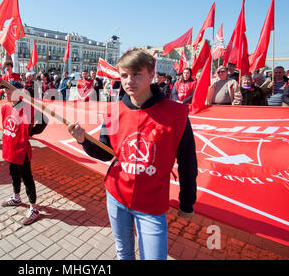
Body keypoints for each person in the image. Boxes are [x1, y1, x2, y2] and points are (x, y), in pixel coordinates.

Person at [68, 49, 198, 260]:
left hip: (152, 204)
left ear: (151, 74)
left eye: (136, 74)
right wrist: (83, 140)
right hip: (116, 196)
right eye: (125, 75)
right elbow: (104, 152)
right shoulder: (112, 111)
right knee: (124, 253)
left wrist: (187, 201)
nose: (129, 81)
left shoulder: (176, 113)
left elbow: (188, 162)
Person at [0, 80, 49, 225]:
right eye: (6, 91)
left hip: (22, 151)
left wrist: (30, 132)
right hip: (10, 148)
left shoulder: (27, 108)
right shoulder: (5, 107)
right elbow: (6, 126)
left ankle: (34, 208)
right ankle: (16, 197)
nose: (7, 94)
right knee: (13, 174)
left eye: (10, 92)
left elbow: (44, 120)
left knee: (27, 178)